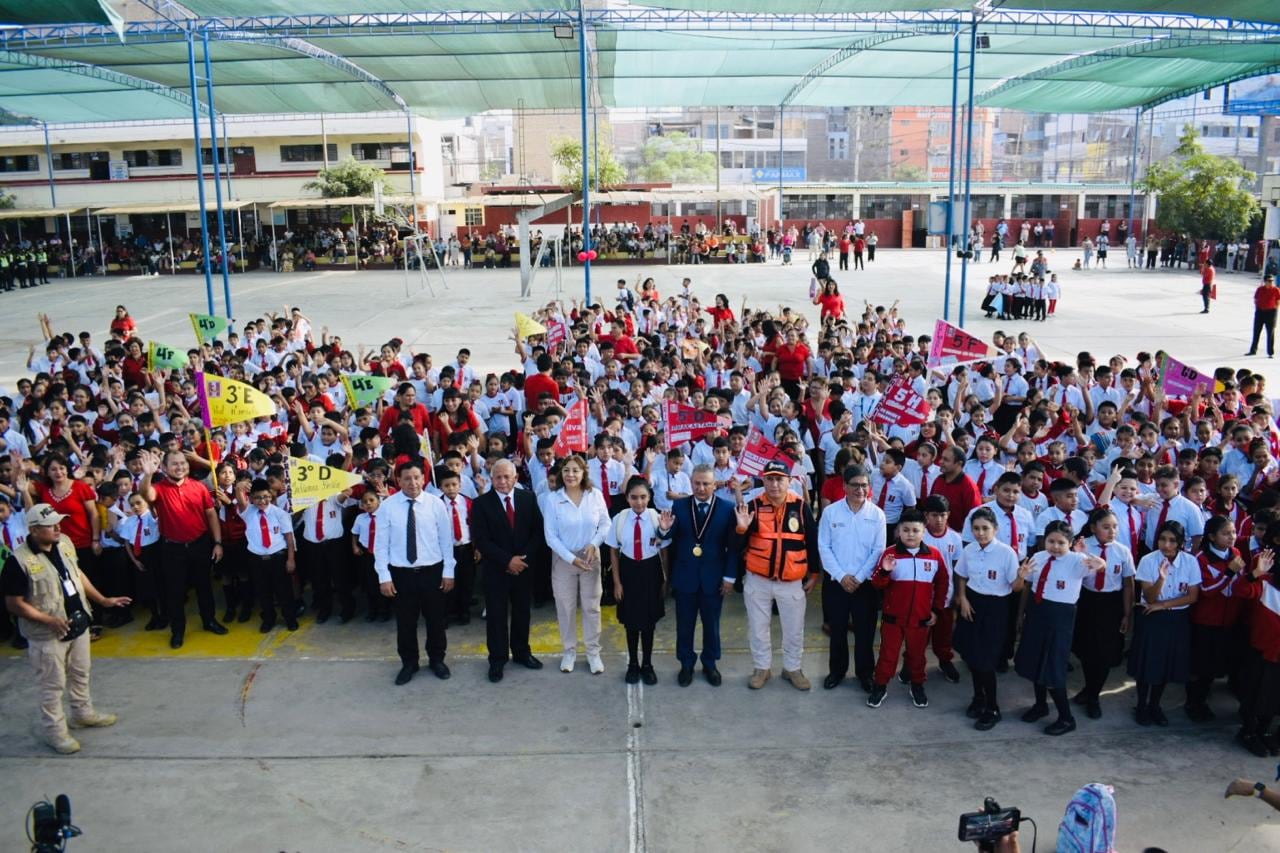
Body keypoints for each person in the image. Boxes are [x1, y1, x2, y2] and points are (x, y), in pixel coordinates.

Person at [2, 504, 130, 754]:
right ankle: (55, 732)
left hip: (77, 623)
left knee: (81, 672)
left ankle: (83, 713)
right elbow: (13, 604)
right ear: (35, 530)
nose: (58, 527)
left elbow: (77, 574)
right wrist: (48, 620)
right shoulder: (18, 561)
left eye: (58, 522)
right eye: (51, 525)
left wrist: (102, 600)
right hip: (48, 634)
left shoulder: (65, 543)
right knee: (52, 685)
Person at [1014, 520, 1106, 735]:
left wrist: (1100, 563)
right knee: (1035, 661)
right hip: (1037, 612)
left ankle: (1066, 718)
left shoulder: (1078, 560)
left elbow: (1099, 565)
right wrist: (1021, 612)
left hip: (1060, 617)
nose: (1055, 546)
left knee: (1053, 666)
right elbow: (1028, 585)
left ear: (1071, 543)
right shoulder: (1038, 557)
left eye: (1061, 543)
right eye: (1051, 541)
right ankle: (1040, 705)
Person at [736, 459, 820, 690]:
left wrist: (814, 574)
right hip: (758, 579)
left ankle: (792, 669)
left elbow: (812, 541)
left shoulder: (801, 507)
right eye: (770, 479)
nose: (774, 484)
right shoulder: (752, 506)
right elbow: (737, 545)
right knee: (758, 627)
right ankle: (762, 668)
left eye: (779, 479)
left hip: (792, 581)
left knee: (794, 629)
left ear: (789, 481)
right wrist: (741, 529)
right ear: (763, 480)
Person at [373, 460, 456, 687]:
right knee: (406, 622)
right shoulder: (388, 507)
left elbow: (446, 541)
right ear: (398, 481)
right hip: (402, 574)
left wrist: (448, 571)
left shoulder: (435, 505)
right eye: (407, 478)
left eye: (417, 477)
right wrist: (384, 576)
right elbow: (381, 545)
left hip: (432, 571)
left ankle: (437, 659)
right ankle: (409, 663)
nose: (412, 483)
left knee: (436, 620)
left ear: (424, 479)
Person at [656, 464, 739, 687]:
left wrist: (730, 577)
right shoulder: (680, 505)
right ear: (691, 483)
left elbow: (733, 547)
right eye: (697, 483)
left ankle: (710, 663)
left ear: (714, 485)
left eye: (706, 484)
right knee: (685, 624)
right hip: (686, 576)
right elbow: (669, 534)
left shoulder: (727, 508)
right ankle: (686, 663)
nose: (701, 488)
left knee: (712, 624)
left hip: (714, 577)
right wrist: (664, 529)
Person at [137, 449, 227, 650]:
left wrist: (218, 542)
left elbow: (211, 515)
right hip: (172, 549)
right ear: (165, 467)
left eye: (183, 463)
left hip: (200, 544)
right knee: (175, 592)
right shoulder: (158, 488)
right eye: (175, 464)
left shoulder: (199, 487)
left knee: (204, 586)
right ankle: (178, 631)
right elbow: (146, 493)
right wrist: (148, 474)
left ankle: (209, 620)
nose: (180, 467)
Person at [471, 459, 545, 683]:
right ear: (491, 479)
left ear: (515, 478)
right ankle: (497, 660)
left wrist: (521, 560)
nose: (502, 481)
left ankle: (522, 653)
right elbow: (482, 540)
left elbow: (537, 532)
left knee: (523, 612)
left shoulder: (528, 498)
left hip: (523, 569)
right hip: (496, 570)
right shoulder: (481, 504)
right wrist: (507, 561)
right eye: (498, 477)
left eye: (507, 477)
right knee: (496, 616)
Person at [953, 507, 1027, 730]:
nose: (980, 533)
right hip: (973, 604)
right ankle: (978, 698)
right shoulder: (969, 551)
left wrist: (1022, 577)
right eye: (976, 528)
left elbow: (1015, 588)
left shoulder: (1006, 553)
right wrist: (962, 598)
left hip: (996, 607)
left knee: (985, 661)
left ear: (995, 529)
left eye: (985, 528)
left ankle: (993, 707)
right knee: (972, 656)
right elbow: (961, 575)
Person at [866, 509, 948, 709]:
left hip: (921, 619)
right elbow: (877, 583)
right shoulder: (890, 553)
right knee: (888, 654)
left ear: (923, 532)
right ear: (898, 532)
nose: (910, 534)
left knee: (917, 656)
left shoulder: (935, 556)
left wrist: (936, 610)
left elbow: (943, 583)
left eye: (915, 530)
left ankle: (917, 685)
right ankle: (880, 685)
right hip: (893, 618)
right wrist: (885, 571)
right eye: (906, 530)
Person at [818, 464, 887, 692]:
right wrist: (841, 576)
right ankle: (837, 671)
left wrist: (857, 577)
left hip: (864, 584)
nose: (860, 489)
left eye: (864, 485)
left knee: (865, 632)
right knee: (837, 629)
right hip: (836, 583)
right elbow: (824, 547)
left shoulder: (877, 515)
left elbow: (878, 550)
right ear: (844, 486)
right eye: (855, 485)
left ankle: (865, 673)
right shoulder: (830, 513)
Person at [542, 454, 610, 675]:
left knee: (591, 607)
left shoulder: (595, 495)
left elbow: (605, 523)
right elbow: (551, 537)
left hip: (590, 557)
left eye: (575, 471)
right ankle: (569, 651)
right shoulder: (553, 499)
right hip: (564, 559)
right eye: (566, 470)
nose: (570, 475)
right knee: (565, 607)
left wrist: (594, 544)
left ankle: (593, 652)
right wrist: (572, 559)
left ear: (584, 473)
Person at [1129, 520, 1200, 726]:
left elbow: (1192, 596)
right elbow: (1150, 598)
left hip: (1175, 618)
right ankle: (1141, 705)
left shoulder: (1190, 562)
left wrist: (1164, 605)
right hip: (1151, 617)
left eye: (1172, 540)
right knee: (1146, 665)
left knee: (1165, 665)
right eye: (1162, 539)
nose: (1166, 545)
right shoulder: (1148, 560)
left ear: (1179, 542)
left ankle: (1155, 705)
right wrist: (1161, 579)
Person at [1072, 507, 1136, 720]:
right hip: (1087, 601)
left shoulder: (1122, 551)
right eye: (1106, 527)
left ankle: (1093, 696)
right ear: (1093, 528)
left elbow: (1128, 584)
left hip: (1111, 604)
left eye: (1115, 527)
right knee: (1087, 649)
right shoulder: (1083, 546)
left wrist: (1127, 613)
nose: (1112, 531)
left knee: (1105, 653)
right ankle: (1089, 689)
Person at [608, 477, 668, 685]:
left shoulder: (657, 518)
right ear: (627, 498)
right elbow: (614, 552)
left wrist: (665, 579)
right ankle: (633, 663)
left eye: (643, 497)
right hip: (628, 571)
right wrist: (617, 582)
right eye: (634, 497)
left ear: (650, 497)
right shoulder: (620, 519)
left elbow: (664, 551)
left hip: (651, 572)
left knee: (649, 623)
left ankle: (648, 664)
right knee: (631, 623)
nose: (639, 502)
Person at [236, 478, 297, 633]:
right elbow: (241, 502)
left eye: (265, 496)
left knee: (284, 591)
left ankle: (290, 618)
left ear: (270, 495)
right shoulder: (248, 512)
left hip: (278, 557)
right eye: (257, 497)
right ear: (251, 498)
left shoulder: (280, 514)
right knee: (263, 591)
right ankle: (269, 618)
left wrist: (290, 559)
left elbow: (289, 537)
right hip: (257, 559)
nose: (262, 501)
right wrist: (238, 489)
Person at [1246, 273, 1278, 358]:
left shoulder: (1276, 290)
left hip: (1270, 313)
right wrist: (1258, 308)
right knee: (1256, 331)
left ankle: (1270, 352)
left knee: (1270, 333)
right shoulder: (1260, 289)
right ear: (1265, 282)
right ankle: (1253, 350)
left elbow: (1278, 301)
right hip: (1260, 312)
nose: (1270, 283)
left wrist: (1274, 309)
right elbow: (1256, 299)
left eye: (1271, 281)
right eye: (1269, 281)